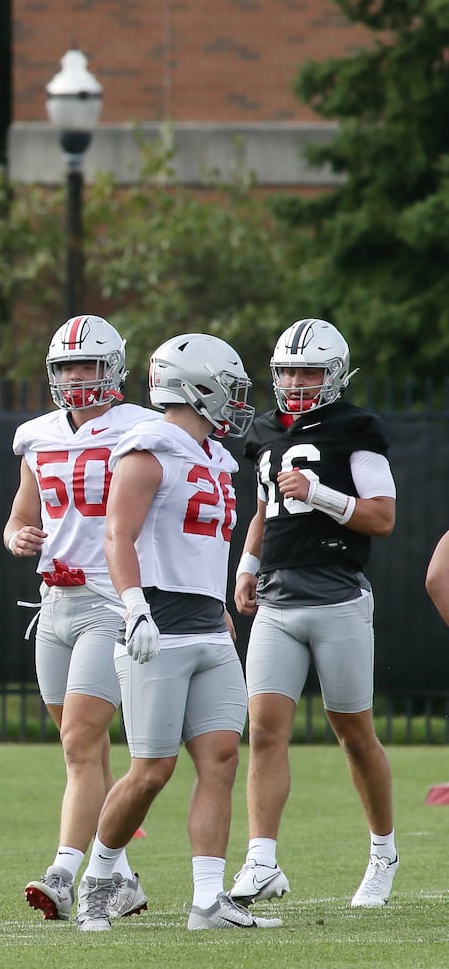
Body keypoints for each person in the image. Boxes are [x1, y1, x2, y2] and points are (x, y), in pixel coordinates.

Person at [76, 333, 281, 932]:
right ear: (199, 386)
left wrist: (217, 603)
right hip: (156, 624)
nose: (238, 401)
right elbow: (117, 533)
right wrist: (133, 605)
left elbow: (199, 544)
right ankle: (98, 880)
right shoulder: (148, 445)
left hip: (207, 626)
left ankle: (208, 902)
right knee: (151, 770)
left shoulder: (215, 456)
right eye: (231, 388)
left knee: (220, 758)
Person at [229, 319, 399, 909]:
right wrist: (247, 566)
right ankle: (261, 860)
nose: (297, 382)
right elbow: (264, 510)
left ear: (335, 376)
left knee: (354, 736)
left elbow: (382, 517)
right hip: (277, 600)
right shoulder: (265, 431)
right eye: (288, 372)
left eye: (309, 372)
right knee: (266, 732)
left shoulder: (357, 430)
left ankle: (383, 852)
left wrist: (319, 493)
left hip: (338, 598)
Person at [4, 316, 156, 921]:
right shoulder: (35, 436)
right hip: (53, 604)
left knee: (80, 741)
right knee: (82, 753)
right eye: (67, 367)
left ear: (114, 369)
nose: (77, 377)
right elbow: (19, 513)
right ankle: (119, 879)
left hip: (107, 602)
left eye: (89, 365)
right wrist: (18, 536)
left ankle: (65, 873)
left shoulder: (142, 428)